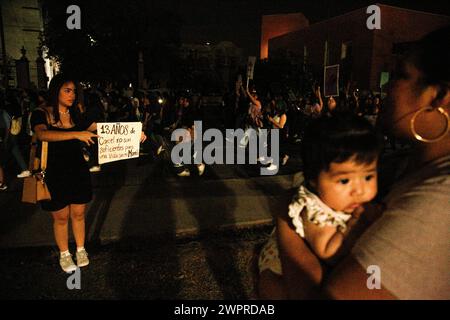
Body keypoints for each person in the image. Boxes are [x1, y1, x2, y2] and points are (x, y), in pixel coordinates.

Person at [259, 26, 450, 300]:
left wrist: (285, 222)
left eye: (400, 75)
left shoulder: (441, 197)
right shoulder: (402, 167)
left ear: (439, 95)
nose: (386, 85)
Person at [257, 114, 383, 299]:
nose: (359, 190)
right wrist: (357, 221)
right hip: (280, 266)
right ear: (314, 181)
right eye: (344, 180)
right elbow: (328, 251)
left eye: (368, 177)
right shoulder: (312, 208)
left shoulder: (351, 201)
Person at [30, 74, 146, 273]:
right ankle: (65, 253)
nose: (72, 95)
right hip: (54, 173)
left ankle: (81, 249)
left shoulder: (77, 115)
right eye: (67, 90)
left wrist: (134, 134)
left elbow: (103, 129)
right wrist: (76, 134)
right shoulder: (42, 113)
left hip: (78, 170)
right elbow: (42, 134)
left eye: (74, 91)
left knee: (78, 213)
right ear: (55, 90)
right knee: (61, 217)